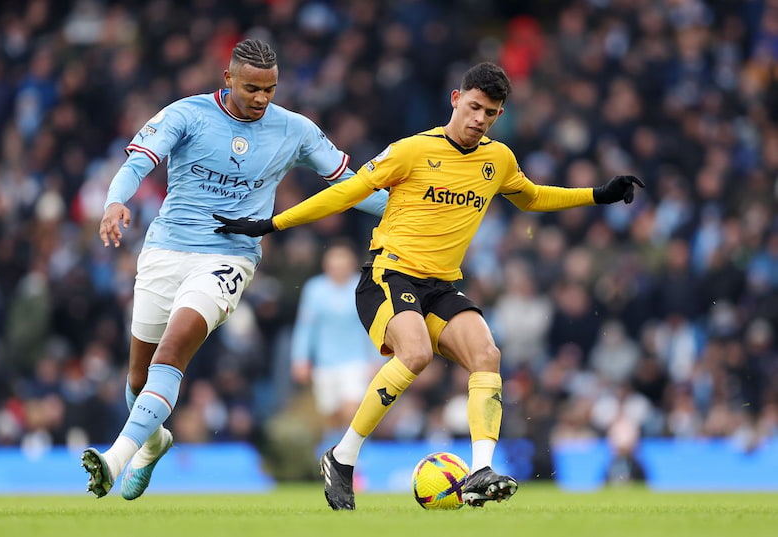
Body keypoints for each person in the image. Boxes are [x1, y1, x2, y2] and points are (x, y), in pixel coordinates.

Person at [212, 61, 644, 510]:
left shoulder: (498, 160)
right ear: (456, 100)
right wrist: (272, 223)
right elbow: (347, 192)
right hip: (388, 275)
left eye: (491, 113)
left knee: (487, 355)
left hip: (440, 285)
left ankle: (479, 472)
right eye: (474, 106)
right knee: (414, 353)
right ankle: (343, 457)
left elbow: (531, 196)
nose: (480, 119)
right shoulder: (411, 151)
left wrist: (598, 194)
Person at [81, 38, 387, 500]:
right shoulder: (186, 114)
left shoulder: (296, 129)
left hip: (230, 257)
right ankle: (154, 440)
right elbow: (138, 162)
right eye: (252, 89)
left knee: (174, 350)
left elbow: (350, 186)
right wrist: (114, 202)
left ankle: (114, 459)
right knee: (138, 380)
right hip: (165, 251)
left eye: (270, 89)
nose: (262, 99)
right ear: (228, 79)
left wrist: (412, 213)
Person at [290, 239, 382, 440]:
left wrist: (377, 358)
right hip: (325, 363)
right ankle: (335, 455)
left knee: (353, 410)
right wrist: (300, 358)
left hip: (356, 361)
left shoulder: (361, 287)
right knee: (331, 416)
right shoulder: (315, 289)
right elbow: (306, 327)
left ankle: (355, 458)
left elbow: (372, 325)